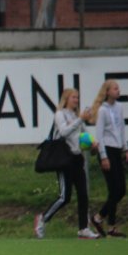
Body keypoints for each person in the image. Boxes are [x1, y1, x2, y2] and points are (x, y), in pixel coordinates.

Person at [35, 88, 101, 239]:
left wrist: (93, 144)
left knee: (83, 194)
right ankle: (42, 219)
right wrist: (80, 119)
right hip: (64, 159)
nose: (76, 100)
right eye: (73, 97)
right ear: (66, 99)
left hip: (77, 158)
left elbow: (84, 134)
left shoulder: (76, 116)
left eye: (77, 97)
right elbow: (64, 132)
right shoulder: (60, 114)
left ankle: (83, 229)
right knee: (65, 197)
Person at [87, 80, 128, 237]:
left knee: (121, 189)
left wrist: (126, 148)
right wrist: (104, 156)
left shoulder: (119, 107)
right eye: (115, 88)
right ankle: (108, 224)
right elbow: (99, 135)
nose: (118, 91)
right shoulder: (103, 110)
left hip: (117, 149)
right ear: (107, 92)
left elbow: (121, 129)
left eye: (118, 88)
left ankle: (101, 219)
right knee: (114, 189)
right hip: (107, 150)